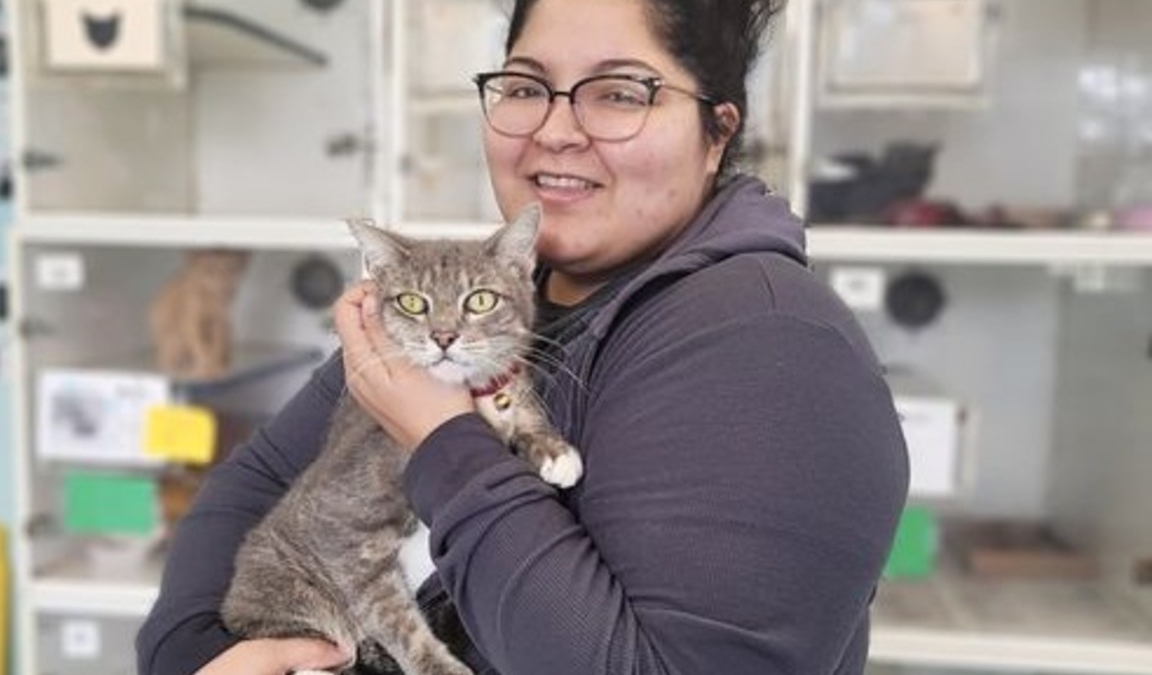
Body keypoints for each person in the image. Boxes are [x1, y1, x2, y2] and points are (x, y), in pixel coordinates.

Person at [136, 0, 910, 673]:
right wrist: (194, 657)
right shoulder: (477, 299)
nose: (556, 130)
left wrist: (443, 438)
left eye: (618, 93)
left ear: (715, 132)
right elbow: (262, 477)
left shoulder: (766, 339)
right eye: (525, 87)